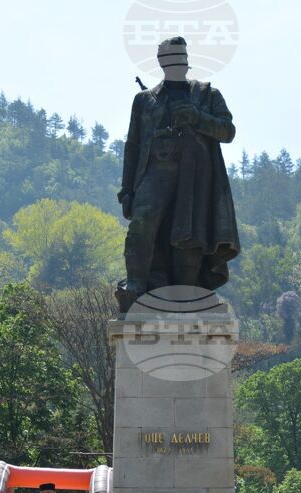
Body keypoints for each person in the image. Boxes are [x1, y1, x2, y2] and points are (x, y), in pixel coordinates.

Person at [115, 35, 239, 311]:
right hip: (155, 171)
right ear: (161, 62)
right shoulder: (145, 100)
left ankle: (188, 292)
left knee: (190, 232)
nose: (177, 63)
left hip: (195, 176)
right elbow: (133, 146)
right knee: (142, 225)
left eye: (180, 57)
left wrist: (196, 117)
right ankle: (136, 285)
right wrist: (127, 190)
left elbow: (227, 131)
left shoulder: (207, 95)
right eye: (171, 58)